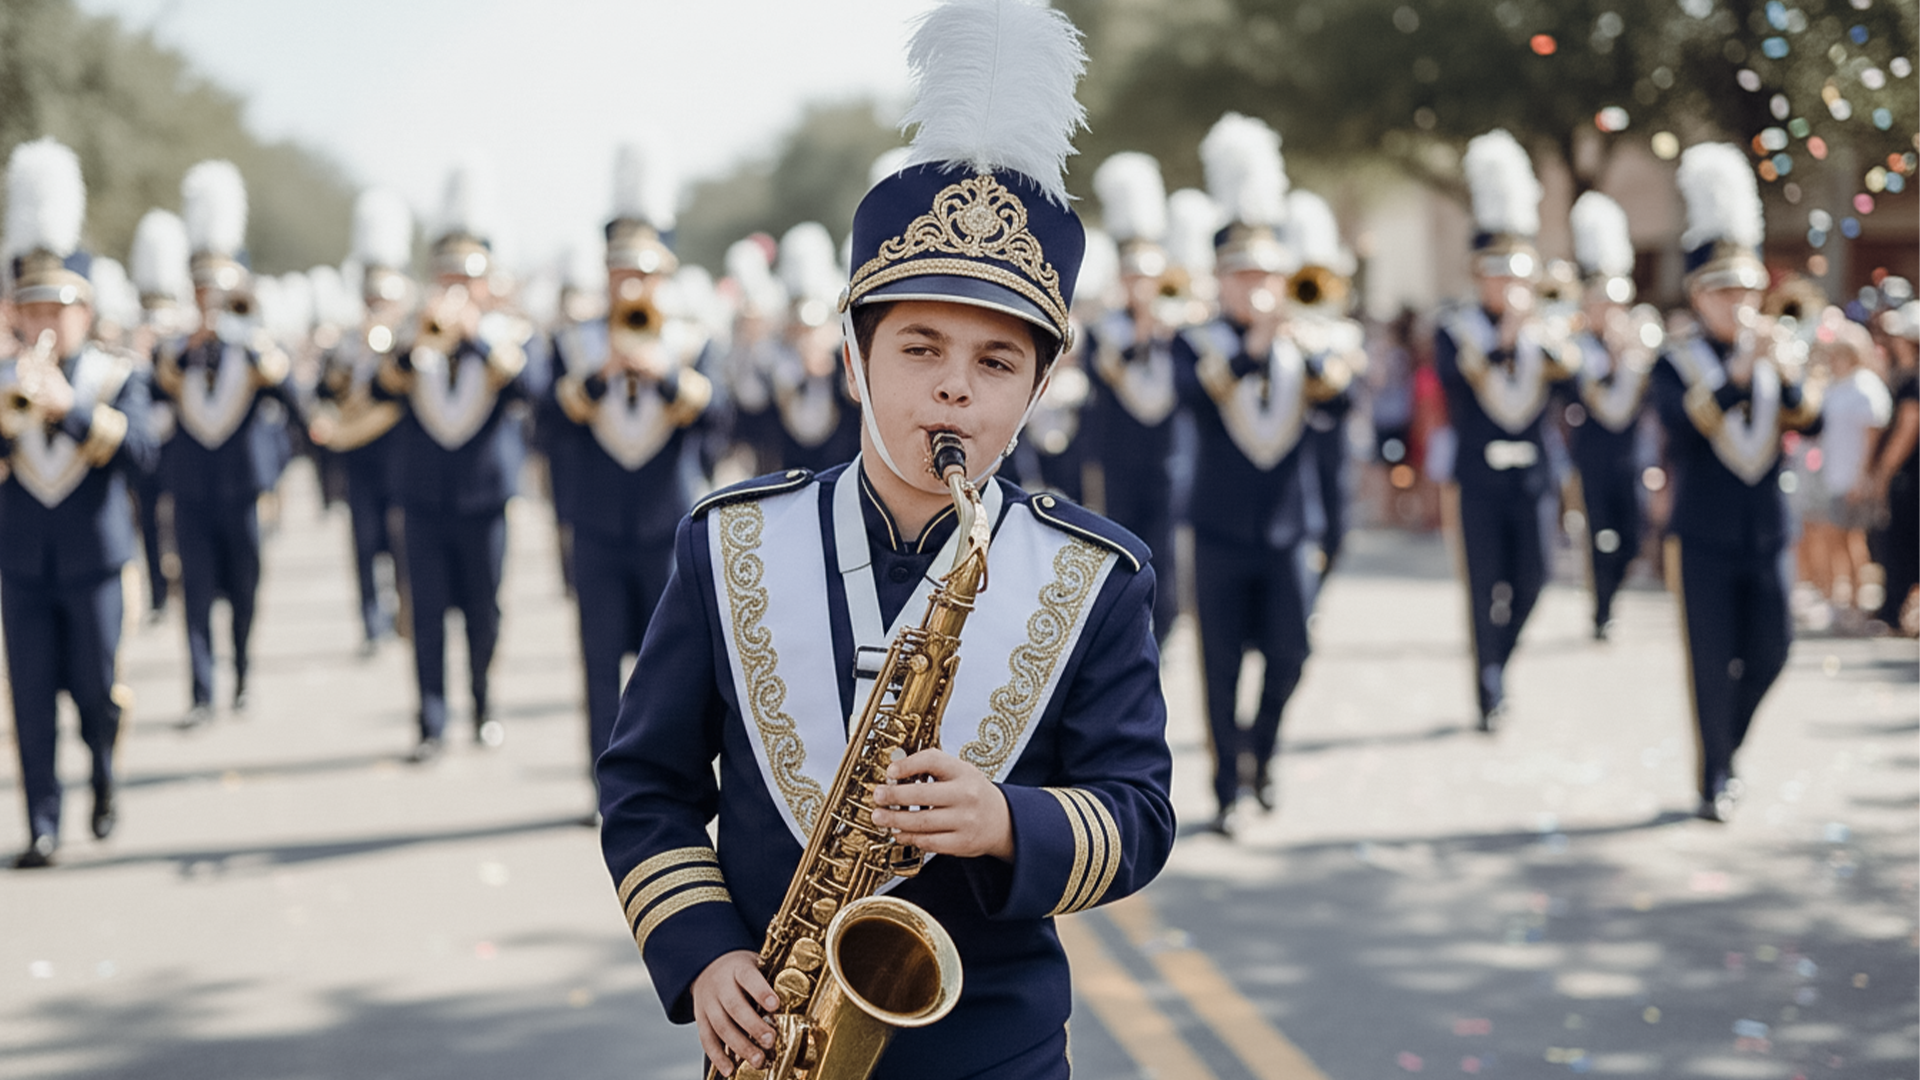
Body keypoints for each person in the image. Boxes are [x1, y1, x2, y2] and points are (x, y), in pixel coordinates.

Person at [596, 3, 1174, 1076]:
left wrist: (1008, 820)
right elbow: (647, 791)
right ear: (855, 362)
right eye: (920, 346)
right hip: (770, 1031)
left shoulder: (1096, 577)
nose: (955, 383)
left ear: (1040, 389)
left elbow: (1138, 815)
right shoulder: (729, 546)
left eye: (999, 363)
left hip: (997, 1046)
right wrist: (704, 953)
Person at [1176, 112, 1353, 835]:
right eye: (1244, 274)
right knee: (1219, 669)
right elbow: (1196, 400)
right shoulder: (1197, 343)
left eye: (1268, 275)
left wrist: (1300, 343)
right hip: (1217, 531)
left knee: (1291, 653)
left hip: (1288, 531)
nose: (1258, 286)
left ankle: (1263, 753)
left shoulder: (1308, 343)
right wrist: (1254, 341)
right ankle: (1226, 789)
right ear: (1219, 279)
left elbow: (1341, 406)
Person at [1654, 143, 1824, 822]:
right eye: (1726, 289)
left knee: (1773, 651)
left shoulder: (1777, 353)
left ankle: (1728, 748)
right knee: (1709, 661)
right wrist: (1738, 376)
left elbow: (1806, 424)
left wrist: (1780, 371)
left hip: (1768, 532)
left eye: (1748, 289)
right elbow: (1685, 430)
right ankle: (1713, 775)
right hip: (1702, 534)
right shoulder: (1675, 362)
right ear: (1698, 295)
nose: (1742, 302)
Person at [1, 139, 159, 868]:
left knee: (95, 695)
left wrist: (66, 409)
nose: (43, 322)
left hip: (96, 565)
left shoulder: (113, 375)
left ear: (86, 311)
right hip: (23, 567)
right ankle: (40, 823)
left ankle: (102, 774)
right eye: (30, 306)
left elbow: (142, 457)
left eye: (58, 307)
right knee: (30, 701)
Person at [547, 142, 713, 818]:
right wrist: (605, 369)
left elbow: (718, 415)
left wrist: (662, 370)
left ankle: (668, 788)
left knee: (669, 669)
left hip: (667, 525)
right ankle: (603, 787)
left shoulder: (693, 336)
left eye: (644, 272)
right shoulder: (575, 339)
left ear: (664, 275)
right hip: (597, 525)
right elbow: (549, 419)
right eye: (621, 272)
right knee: (595, 664)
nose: (632, 285)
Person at [375, 164, 542, 763]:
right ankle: (430, 720)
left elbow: (532, 391)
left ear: (486, 284)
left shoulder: (507, 336)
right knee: (423, 614)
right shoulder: (410, 334)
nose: (454, 288)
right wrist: (414, 343)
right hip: (421, 498)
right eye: (445, 277)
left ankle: (483, 702)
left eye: (466, 278)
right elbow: (378, 391)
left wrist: (475, 337)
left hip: (485, 497)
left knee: (485, 610)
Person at [1434, 130, 1578, 731]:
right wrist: (1507, 341)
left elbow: (1574, 390)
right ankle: (1488, 688)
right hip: (1479, 478)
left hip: (1535, 477)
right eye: (1497, 275)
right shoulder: (1456, 329)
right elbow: (1454, 387)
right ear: (1478, 274)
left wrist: (1543, 337)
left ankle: (1501, 661)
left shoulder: (1550, 331)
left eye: (1516, 274)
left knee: (1535, 580)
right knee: (1483, 587)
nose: (1508, 286)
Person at [153, 160, 298, 727]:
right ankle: (200, 690)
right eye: (201, 289)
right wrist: (192, 344)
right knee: (194, 592)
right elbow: (156, 392)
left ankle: (240, 676)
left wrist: (254, 346)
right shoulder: (176, 349)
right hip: (189, 489)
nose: (210, 299)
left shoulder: (254, 344)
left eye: (219, 288)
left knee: (243, 587)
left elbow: (290, 399)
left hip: (241, 487)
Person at [310, 188, 414, 654]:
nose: (377, 306)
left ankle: (404, 613)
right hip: (357, 452)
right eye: (372, 298)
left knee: (401, 540)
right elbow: (324, 391)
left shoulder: (409, 340)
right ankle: (371, 623)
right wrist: (346, 360)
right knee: (363, 539)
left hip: (398, 449)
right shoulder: (346, 341)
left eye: (384, 298)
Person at [1085, 152, 1182, 642]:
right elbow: (1111, 372)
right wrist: (1143, 333)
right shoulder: (1107, 329)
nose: (1143, 286)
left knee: (1167, 548)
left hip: (1167, 457)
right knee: (1123, 545)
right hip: (1119, 457)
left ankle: (1164, 629)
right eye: (1134, 276)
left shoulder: (1179, 324)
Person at [1564, 191, 1654, 640]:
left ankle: (1612, 594)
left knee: (1634, 537)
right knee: (1599, 538)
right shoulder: (1579, 349)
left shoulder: (1638, 346)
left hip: (1632, 457)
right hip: (1593, 457)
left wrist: (1629, 357)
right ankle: (1601, 610)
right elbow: (1588, 400)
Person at [1284, 188, 1366, 580]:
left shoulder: (1343, 336)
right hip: (1287, 445)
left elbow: (1348, 398)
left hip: (1331, 447)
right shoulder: (1280, 333)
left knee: (1335, 532)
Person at [126, 209, 195, 621]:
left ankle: (183, 582)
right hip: (147, 443)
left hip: (179, 444)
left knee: (177, 521)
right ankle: (157, 591)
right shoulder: (135, 340)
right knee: (149, 521)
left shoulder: (183, 340)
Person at [769, 222, 861, 473]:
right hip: (794, 458)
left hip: (840, 456)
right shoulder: (779, 342)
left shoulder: (839, 337)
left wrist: (833, 359)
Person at [1869, 301, 1920, 631]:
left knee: (1903, 543)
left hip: (1910, 476)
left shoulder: (1913, 381)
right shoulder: (1901, 374)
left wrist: (1884, 471)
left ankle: (1895, 610)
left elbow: (1907, 427)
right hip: (1909, 475)